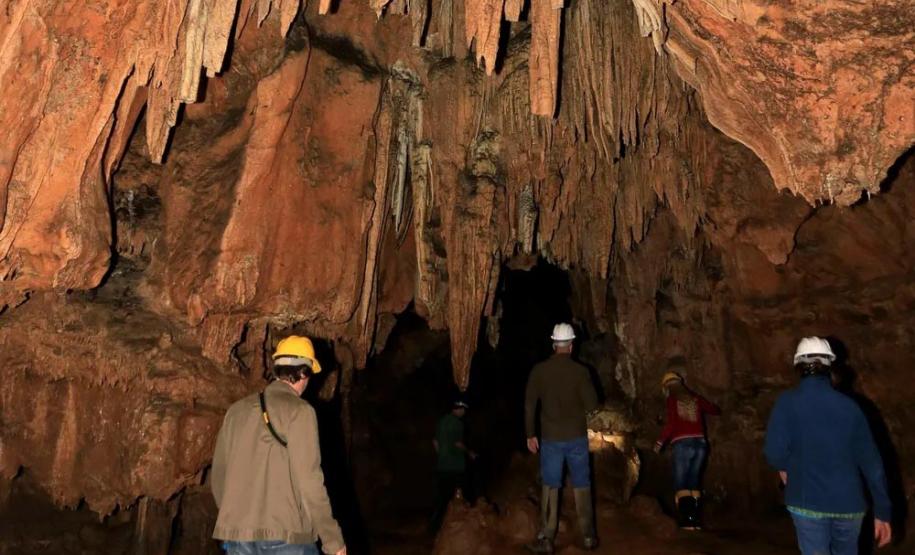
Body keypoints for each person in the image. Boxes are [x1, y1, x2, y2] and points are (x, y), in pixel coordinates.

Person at [211, 335, 347, 555]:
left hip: (237, 537)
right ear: (304, 372)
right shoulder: (300, 412)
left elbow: (218, 478)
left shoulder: (236, 411)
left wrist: (238, 517)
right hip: (287, 537)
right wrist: (332, 539)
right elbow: (310, 481)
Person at [765, 336, 892, 555]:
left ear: (798, 366)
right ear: (829, 366)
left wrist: (786, 467)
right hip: (849, 505)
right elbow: (873, 464)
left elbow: (773, 452)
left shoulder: (787, 402)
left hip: (807, 502)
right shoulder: (851, 408)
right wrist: (883, 512)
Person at [524, 323, 599, 553]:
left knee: (551, 484)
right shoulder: (580, 371)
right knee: (582, 484)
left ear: (554, 343)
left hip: (551, 439)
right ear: (571, 345)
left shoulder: (539, 370)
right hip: (576, 437)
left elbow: (529, 405)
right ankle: (588, 535)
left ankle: (547, 537)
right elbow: (592, 405)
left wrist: (530, 434)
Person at [653, 370, 721, 530]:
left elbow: (671, 425)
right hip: (701, 444)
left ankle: (687, 521)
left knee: (681, 482)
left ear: (667, 387)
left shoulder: (672, 399)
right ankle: (695, 520)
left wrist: (659, 442)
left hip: (683, 444)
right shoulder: (695, 397)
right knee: (693, 482)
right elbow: (714, 409)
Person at [430, 398, 475, 531]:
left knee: (442, 498)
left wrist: (442, 455)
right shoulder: (457, 423)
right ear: (458, 409)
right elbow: (458, 443)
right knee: (462, 496)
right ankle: (461, 529)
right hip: (456, 466)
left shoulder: (442, 421)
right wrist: (470, 453)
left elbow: (435, 442)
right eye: (463, 410)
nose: (464, 412)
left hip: (442, 466)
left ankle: (434, 527)